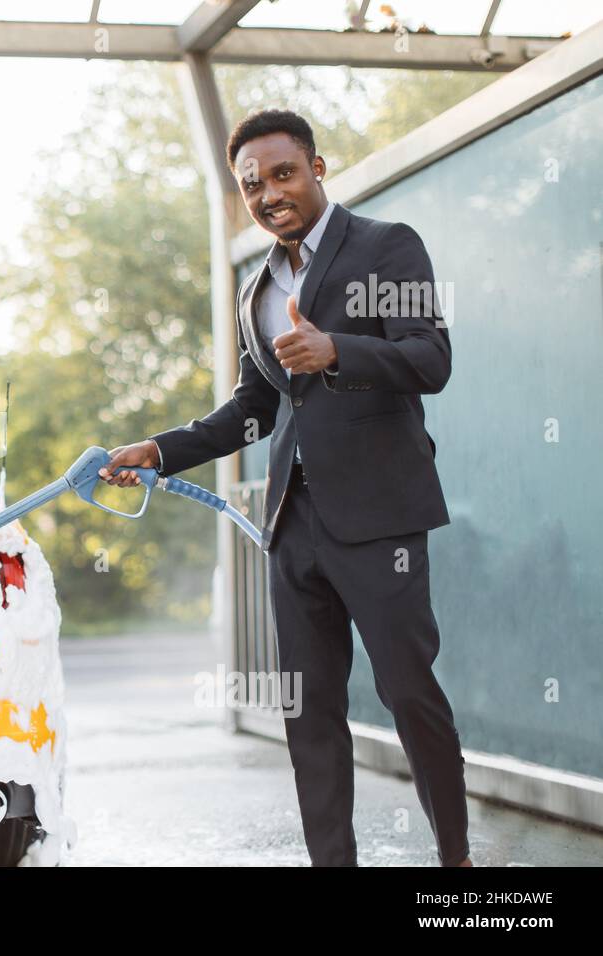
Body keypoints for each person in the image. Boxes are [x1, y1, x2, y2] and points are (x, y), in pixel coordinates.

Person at [99, 109, 471, 867]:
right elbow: (252, 413)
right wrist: (160, 451)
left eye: (281, 173)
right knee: (309, 715)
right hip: (292, 530)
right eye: (251, 185)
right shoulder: (256, 290)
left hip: (379, 522)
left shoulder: (387, 246)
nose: (268, 193)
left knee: (409, 697)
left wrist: (337, 348)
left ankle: (457, 863)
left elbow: (430, 357)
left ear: (317, 168)